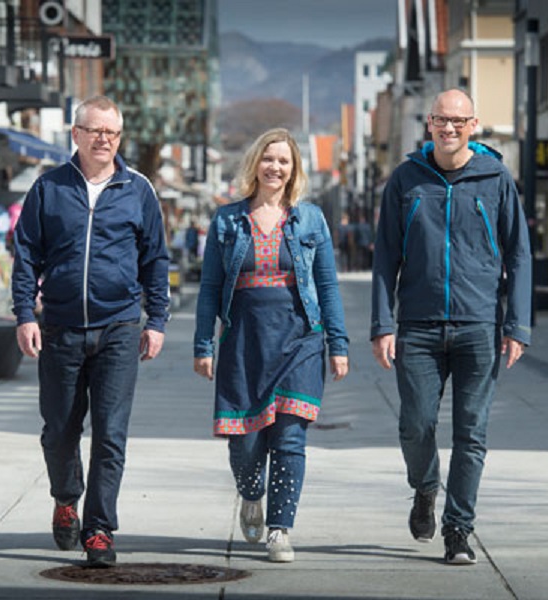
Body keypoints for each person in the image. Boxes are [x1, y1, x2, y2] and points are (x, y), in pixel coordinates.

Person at [370, 89, 531, 566]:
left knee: (471, 433)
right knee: (415, 425)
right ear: (429, 123)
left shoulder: (495, 178)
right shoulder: (406, 179)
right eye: (442, 119)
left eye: (459, 121)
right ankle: (425, 487)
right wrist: (382, 323)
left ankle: (458, 529)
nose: (449, 128)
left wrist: (518, 324)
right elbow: (385, 256)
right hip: (417, 326)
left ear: (473, 125)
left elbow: (519, 253)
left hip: (478, 324)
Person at [11, 95, 170, 568]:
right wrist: (25, 315)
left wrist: (156, 321)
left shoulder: (138, 189)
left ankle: (99, 529)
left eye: (112, 132)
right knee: (59, 430)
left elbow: (155, 259)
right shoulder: (48, 188)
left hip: (118, 326)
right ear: (76, 134)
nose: (104, 139)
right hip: (60, 327)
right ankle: (66, 498)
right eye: (96, 130)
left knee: (110, 434)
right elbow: (26, 255)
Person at [193, 128, 349, 563]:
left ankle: (280, 528)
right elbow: (209, 288)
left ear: (293, 169)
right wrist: (203, 344)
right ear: (254, 164)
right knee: (245, 445)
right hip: (244, 340)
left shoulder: (310, 219)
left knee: (290, 437)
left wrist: (338, 343)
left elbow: (327, 286)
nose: (275, 167)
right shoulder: (227, 220)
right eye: (268, 158)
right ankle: (251, 493)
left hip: (301, 339)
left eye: (283, 161)